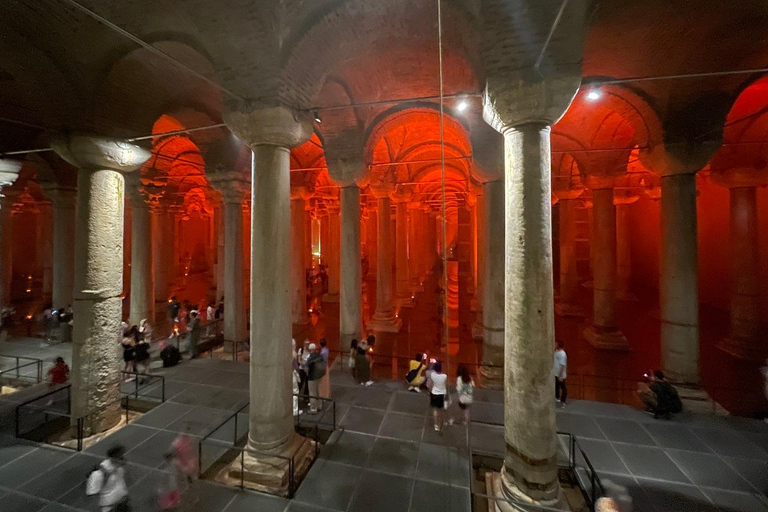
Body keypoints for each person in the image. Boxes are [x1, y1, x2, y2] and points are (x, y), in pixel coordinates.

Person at [86, 445, 130, 512]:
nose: (125, 459)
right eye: (121, 457)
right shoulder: (98, 474)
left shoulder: (120, 469)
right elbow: (92, 496)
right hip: (110, 509)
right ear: (115, 457)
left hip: (122, 505)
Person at [305, 343, 326, 414]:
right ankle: (320, 406)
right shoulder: (319, 356)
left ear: (310, 350)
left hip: (312, 378)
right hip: (319, 376)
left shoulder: (310, 359)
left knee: (312, 393)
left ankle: (313, 409)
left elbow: (306, 368)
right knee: (319, 392)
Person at [428, 361, 448, 434]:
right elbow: (446, 385)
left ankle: (436, 424)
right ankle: (441, 423)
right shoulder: (444, 376)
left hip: (434, 393)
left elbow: (430, 384)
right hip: (442, 394)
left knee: (435, 410)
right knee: (441, 410)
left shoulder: (432, 375)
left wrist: (429, 392)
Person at [553, 340, 567, 407]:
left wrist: (560, 375)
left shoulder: (562, 354)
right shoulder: (556, 352)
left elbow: (562, 365)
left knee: (563, 387)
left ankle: (563, 400)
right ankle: (557, 397)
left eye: (556, 344)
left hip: (560, 374)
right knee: (557, 386)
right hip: (555, 373)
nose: (555, 345)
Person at [318, 338, 331, 403]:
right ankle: (326, 394)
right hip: (326, 366)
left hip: (323, 367)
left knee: (322, 382)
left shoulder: (322, 352)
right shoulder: (327, 350)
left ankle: (323, 395)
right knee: (326, 381)